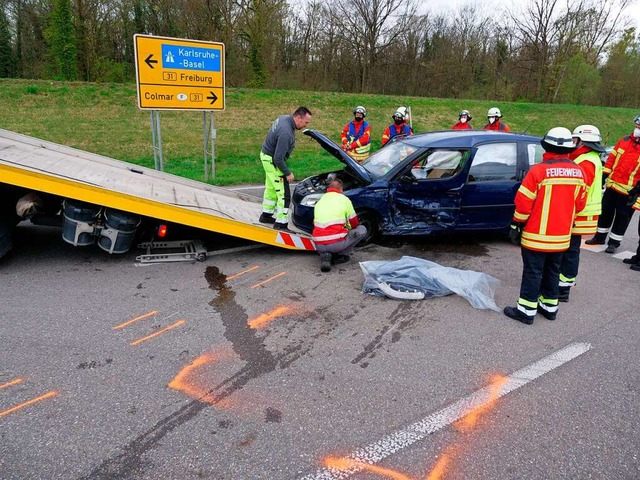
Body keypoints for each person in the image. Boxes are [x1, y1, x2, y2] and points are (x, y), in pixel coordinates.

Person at [504, 127, 587, 325]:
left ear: (546, 147)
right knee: (553, 270)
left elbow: (523, 203)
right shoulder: (579, 172)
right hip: (562, 237)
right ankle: (550, 308)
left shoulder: (539, 171)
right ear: (569, 148)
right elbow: (581, 204)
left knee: (533, 272)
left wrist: (516, 224)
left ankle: (526, 311)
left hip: (536, 235)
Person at [557, 125, 604, 302]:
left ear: (581, 141)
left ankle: (563, 288)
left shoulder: (586, 161)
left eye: (574, 139)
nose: (573, 143)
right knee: (570, 249)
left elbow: (580, 188)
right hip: (582, 211)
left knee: (570, 250)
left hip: (581, 213)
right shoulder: (587, 158)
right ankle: (564, 283)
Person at [585, 115, 640, 253]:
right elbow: (612, 159)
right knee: (605, 213)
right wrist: (604, 175)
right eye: (636, 125)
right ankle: (599, 237)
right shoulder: (625, 140)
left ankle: (614, 243)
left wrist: (637, 189)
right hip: (612, 186)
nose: (636, 128)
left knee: (622, 218)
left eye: (639, 127)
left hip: (629, 191)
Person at [259, 106, 312, 230]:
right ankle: (281, 223)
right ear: (298, 118)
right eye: (305, 122)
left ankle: (265, 215)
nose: (306, 125)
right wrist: (288, 173)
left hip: (266, 156)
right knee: (284, 194)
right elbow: (278, 158)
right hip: (273, 161)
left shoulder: (283, 118)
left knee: (271, 189)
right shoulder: (286, 133)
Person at [312, 178, 367, 272]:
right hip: (336, 244)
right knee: (362, 230)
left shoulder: (320, 201)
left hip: (318, 244)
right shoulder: (344, 200)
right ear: (341, 190)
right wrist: (348, 228)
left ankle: (325, 254)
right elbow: (354, 222)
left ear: (328, 189)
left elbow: (314, 222)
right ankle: (341, 255)